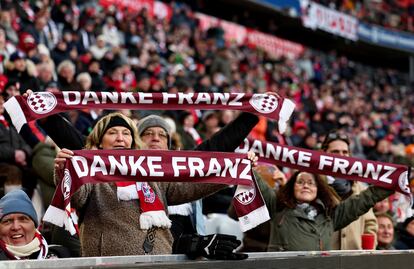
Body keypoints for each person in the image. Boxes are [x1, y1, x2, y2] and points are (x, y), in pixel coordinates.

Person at [53, 112, 256, 257]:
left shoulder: (153, 174)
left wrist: (233, 169)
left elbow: (193, 183)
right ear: (98, 142)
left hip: (160, 258)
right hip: (110, 260)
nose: (120, 138)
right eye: (113, 133)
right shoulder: (90, 171)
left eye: (126, 134)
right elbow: (77, 196)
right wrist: (65, 170)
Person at [256, 170, 393, 251]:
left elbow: (364, 199)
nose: (305, 186)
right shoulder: (278, 207)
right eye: (300, 182)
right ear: (292, 187)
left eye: (311, 183)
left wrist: (393, 182)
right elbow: (259, 185)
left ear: (318, 190)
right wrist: (247, 163)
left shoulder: (330, 216)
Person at [321, 131, 378, 250]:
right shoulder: (314, 185)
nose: (341, 155)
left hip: (354, 259)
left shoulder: (360, 187)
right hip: (322, 258)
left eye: (345, 152)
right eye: (335, 152)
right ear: (324, 153)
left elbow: (370, 223)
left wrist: (367, 250)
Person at [0, 190, 69, 259]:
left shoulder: (60, 255)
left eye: (23, 219)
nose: (16, 227)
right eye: (7, 221)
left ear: (34, 225)